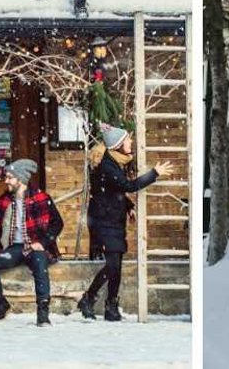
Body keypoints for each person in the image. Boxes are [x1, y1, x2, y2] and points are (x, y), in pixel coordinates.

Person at [78, 124, 175, 321]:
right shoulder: (107, 165)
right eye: (127, 141)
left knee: (117, 265)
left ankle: (110, 306)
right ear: (118, 145)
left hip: (112, 219)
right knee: (113, 264)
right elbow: (127, 185)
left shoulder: (113, 162)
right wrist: (154, 173)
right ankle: (89, 298)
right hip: (103, 221)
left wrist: (128, 204)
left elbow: (113, 190)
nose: (131, 143)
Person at [0, 158, 64, 326]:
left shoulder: (41, 197)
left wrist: (44, 243)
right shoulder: (3, 201)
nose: (6, 180)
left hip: (35, 246)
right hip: (14, 248)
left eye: (9, 177)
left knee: (39, 262)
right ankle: (1, 303)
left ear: (21, 179)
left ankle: (43, 312)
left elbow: (57, 223)